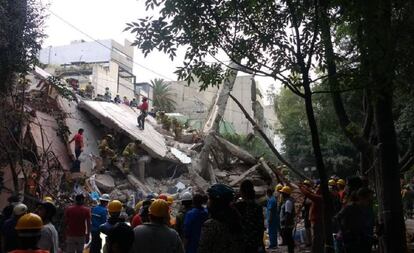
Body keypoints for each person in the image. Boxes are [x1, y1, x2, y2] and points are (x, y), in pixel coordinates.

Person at [198, 184, 243, 253]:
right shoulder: (237, 222)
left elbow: (203, 249)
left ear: (216, 203)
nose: (208, 202)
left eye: (210, 199)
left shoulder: (211, 225)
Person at [335, 187, 374, 253]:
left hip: (358, 239)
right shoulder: (350, 206)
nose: (369, 201)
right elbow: (337, 217)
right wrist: (344, 231)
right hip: (349, 240)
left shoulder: (363, 208)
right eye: (368, 199)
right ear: (361, 197)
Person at [234, 180, 265, 253]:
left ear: (242, 191)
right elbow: (260, 226)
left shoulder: (240, 206)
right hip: (255, 242)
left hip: (245, 243)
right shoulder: (257, 206)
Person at [299, 183, 324, 253]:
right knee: (316, 238)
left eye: (318, 187)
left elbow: (308, 194)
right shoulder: (318, 196)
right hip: (315, 221)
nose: (316, 188)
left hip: (317, 221)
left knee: (316, 239)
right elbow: (311, 193)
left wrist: (301, 188)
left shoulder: (319, 198)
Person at [279, 186, 295, 253]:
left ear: (285, 194)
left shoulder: (288, 202)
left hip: (287, 225)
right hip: (287, 224)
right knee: (289, 241)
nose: (281, 194)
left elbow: (287, 214)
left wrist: (285, 226)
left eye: (282, 193)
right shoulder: (287, 201)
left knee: (289, 241)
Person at [302, 180, 312, 247]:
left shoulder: (310, 195)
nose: (304, 186)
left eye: (306, 185)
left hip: (310, 214)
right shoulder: (305, 195)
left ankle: (310, 242)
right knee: (307, 228)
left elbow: (308, 203)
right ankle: (309, 242)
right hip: (306, 213)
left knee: (309, 228)